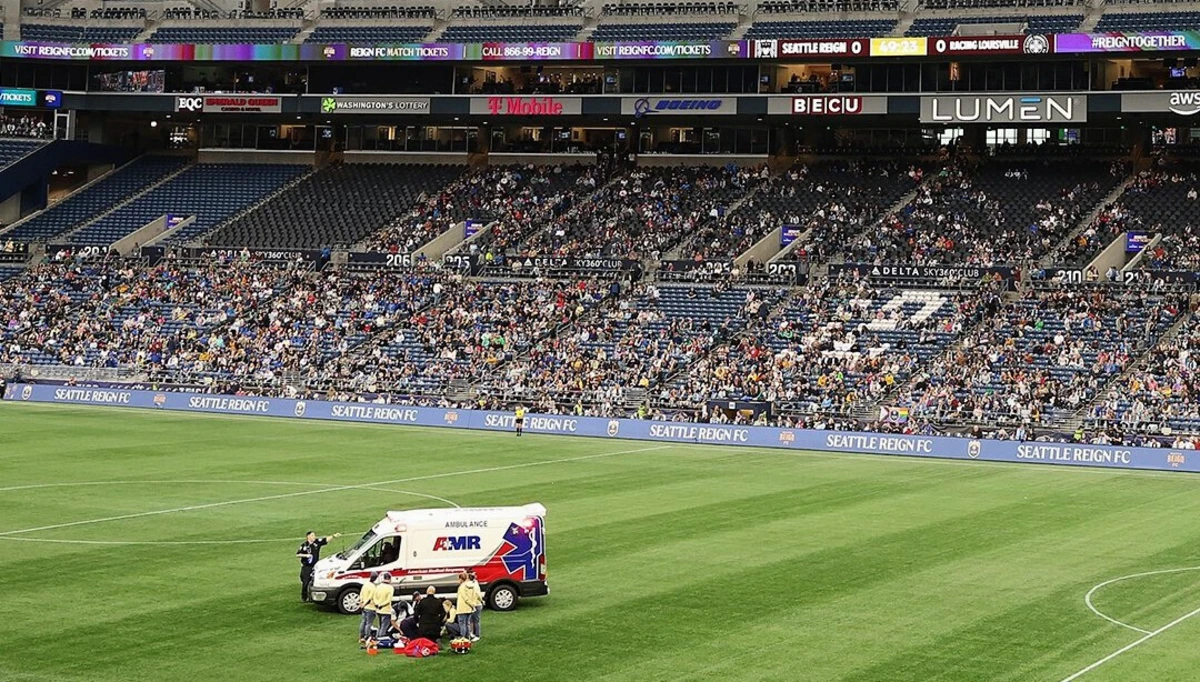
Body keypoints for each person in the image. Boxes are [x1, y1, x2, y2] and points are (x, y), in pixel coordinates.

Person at [296, 530, 341, 602]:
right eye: (312, 535)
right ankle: (304, 597)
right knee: (306, 581)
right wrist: (306, 555)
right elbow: (298, 554)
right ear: (308, 537)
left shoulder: (316, 542)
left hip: (315, 566)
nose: (314, 537)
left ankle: (313, 596)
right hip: (307, 567)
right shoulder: (304, 545)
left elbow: (325, 540)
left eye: (314, 535)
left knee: (315, 581)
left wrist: (333, 536)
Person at [371, 572, 396, 642]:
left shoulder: (378, 587)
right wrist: (381, 605)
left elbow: (374, 597)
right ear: (389, 579)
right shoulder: (390, 588)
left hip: (378, 610)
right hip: (386, 610)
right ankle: (380, 639)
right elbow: (388, 600)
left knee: (380, 625)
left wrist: (377, 604)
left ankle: (376, 638)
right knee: (384, 626)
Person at [358, 572, 379, 646]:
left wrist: (361, 602)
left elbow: (361, 594)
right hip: (370, 607)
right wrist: (364, 604)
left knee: (363, 621)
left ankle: (361, 637)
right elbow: (370, 598)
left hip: (364, 607)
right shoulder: (373, 587)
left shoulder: (365, 584)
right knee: (369, 623)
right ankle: (367, 637)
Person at [466, 571, 483, 641]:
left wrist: (480, 600)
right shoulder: (475, 583)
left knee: (475, 620)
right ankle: (472, 633)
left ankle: (477, 635)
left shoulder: (473, 585)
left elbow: (477, 594)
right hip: (476, 604)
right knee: (471, 620)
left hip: (476, 604)